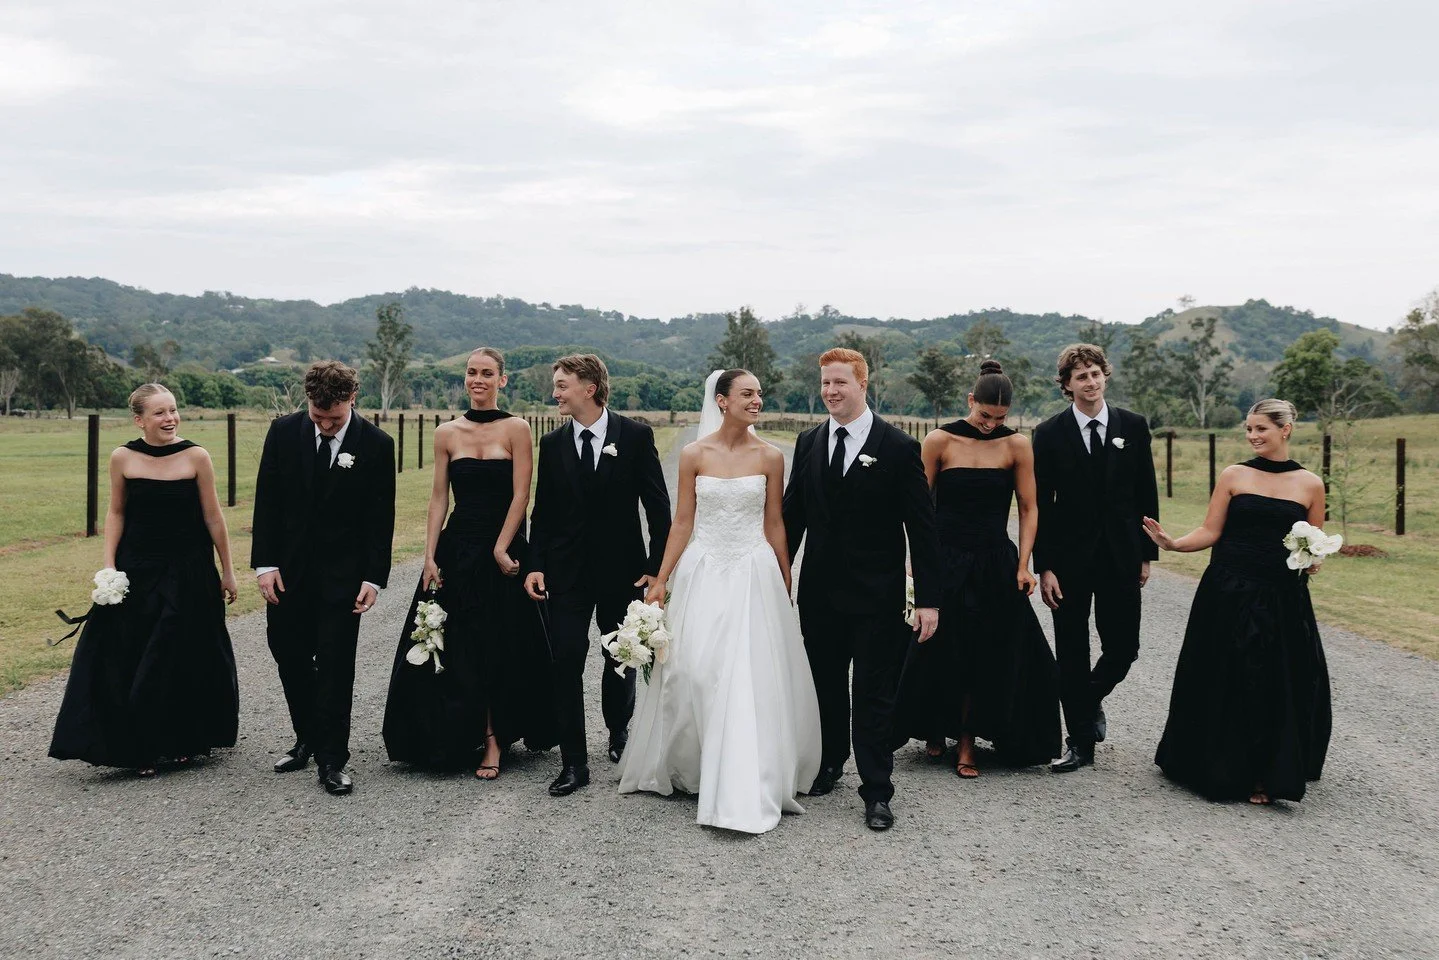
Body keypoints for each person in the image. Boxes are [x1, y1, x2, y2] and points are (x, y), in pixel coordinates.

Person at [619, 370, 821, 833]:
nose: (757, 400)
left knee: (749, 670)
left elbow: (774, 524)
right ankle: (694, 760)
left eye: (759, 394)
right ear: (723, 400)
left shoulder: (770, 456)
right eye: (748, 394)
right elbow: (683, 522)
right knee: (695, 666)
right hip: (703, 568)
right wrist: (661, 579)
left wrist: (785, 576)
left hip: (754, 572)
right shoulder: (694, 454)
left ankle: (748, 767)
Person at [781, 347, 941, 832]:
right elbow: (792, 519)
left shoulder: (896, 446)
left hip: (878, 597)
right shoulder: (808, 443)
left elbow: (923, 528)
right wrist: (775, 573)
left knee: (872, 694)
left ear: (862, 386)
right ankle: (830, 763)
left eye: (840, 383)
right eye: (825, 383)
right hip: (820, 596)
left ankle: (877, 790)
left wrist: (929, 599)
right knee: (826, 687)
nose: (831, 391)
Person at [1142, 399, 1332, 804]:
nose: (1252, 436)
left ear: (1286, 430)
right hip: (1227, 589)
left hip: (1282, 596)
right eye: (1248, 429)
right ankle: (1212, 763)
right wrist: (1173, 544)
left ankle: (1266, 772)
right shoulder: (1234, 475)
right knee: (1224, 675)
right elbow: (1211, 530)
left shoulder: (1310, 484)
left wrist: (1312, 562)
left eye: (1261, 428)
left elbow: (1313, 545)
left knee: (1271, 681)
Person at [49, 384, 239, 775]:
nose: (170, 418)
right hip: (138, 568)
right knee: (133, 652)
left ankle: (182, 739)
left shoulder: (196, 456)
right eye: (159, 413)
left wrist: (228, 571)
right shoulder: (122, 457)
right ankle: (138, 745)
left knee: (181, 651)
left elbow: (213, 517)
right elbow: (116, 512)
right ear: (139, 419)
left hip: (189, 569)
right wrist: (108, 568)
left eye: (173, 410)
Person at [382, 348, 555, 777]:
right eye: (472, 372)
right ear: (465, 378)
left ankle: (494, 740)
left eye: (487, 373)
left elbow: (522, 494)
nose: (478, 379)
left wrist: (502, 546)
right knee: (455, 642)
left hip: (503, 547)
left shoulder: (517, 429)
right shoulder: (446, 433)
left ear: (502, 380)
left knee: (499, 642)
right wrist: (428, 555)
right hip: (457, 546)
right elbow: (439, 497)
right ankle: (453, 733)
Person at [895, 361, 1060, 777]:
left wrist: (1024, 565)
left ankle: (967, 740)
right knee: (935, 645)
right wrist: (919, 559)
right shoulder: (939, 440)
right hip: (945, 557)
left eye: (1000, 418)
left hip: (993, 560)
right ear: (971, 401)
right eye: (985, 415)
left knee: (985, 650)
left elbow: (1029, 507)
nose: (991, 424)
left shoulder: (1017, 446)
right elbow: (919, 507)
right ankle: (934, 726)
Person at [524, 354, 672, 797]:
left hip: (622, 572)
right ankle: (574, 762)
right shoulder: (552, 445)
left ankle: (619, 730)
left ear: (590, 388)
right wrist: (535, 564)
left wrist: (655, 567)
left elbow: (658, 506)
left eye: (562, 384)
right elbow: (544, 512)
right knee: (565, 659)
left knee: (619, 658)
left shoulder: (635, 435)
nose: (556, 392)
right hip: (565, 573)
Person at [252, 360, 396, 796]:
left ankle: (333, 758)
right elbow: (268, 502)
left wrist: (373, 577)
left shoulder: (377, 444)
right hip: (288, 575)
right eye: (318, 417)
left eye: (334, 418)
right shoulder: (283, 433)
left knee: (335, 665)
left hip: (343, 579)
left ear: (352, 399)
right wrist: (265, 565)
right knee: (288, 654)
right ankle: (306, 739)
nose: (327, 425)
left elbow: (380, 518)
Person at [1032, 343, 1158, 773]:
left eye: (1095, 373)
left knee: (1124, 648)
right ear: (1067, 385)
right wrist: (1044, 565)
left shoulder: (1134, 427)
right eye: (1080, 376)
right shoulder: (1048, 434)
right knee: (1071, 649)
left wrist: (1147, 555)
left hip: (1122, 555)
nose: (1090, 381)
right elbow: (1041, 506)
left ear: (1106, 376)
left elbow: (1146, 492)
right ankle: (1080, 743)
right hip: (1067, 562)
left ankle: (1085, 700)